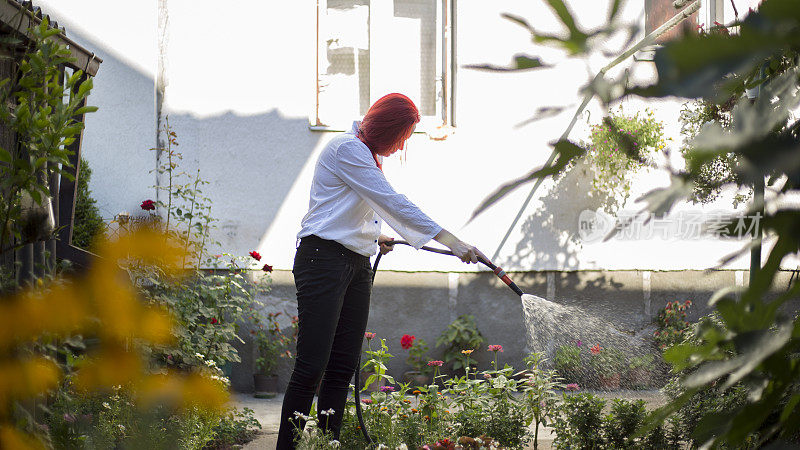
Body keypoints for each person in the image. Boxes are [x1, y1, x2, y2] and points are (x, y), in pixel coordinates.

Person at [276, 93, 485, 449]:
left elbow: (355, 206)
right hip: (322, 261)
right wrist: (451, 240)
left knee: (342, 369)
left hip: (354, 264)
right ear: (386, 129)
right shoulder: (347, 148)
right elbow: (391, 201)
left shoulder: (366, 155)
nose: (401, 145)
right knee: (312, 367)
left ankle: (329, 444)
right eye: (401, 137)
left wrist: (374, 235)